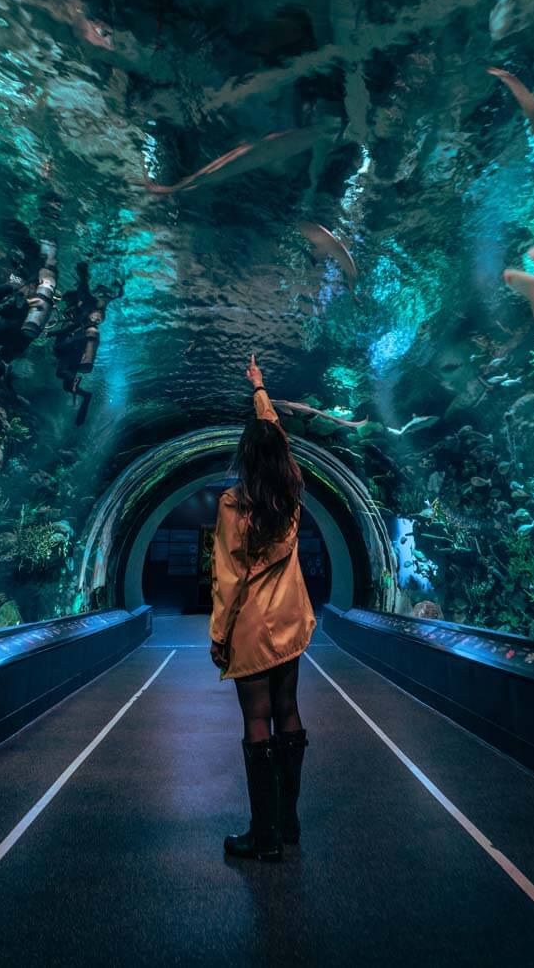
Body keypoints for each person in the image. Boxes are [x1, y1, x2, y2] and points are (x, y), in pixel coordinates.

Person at [209, 354, 317, 862]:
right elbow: (275, 435)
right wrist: (260, 389)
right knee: (288, 711)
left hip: (252, 627)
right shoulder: (291, 493)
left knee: (257, 721)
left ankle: (264, 833)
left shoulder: (236, 503)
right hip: (291, 619)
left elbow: (228, 579)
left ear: (245, 459)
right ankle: (289, 822)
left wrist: (217, 635)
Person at [50, 262, 124, 426]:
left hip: (76, 347)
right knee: (67, 387)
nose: (98, 318)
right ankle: (86, 397)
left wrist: (82, 273)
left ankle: (77, 385)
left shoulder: (89, 305)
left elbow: (83, 292)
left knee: (61, 371)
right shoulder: (96, 306)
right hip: (79, 350)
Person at [0, 241, 58, 386]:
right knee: (3, 360)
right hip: (26, 334)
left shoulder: (26, 282)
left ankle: (2, 369)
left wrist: (10, 288)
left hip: (10, 323)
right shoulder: (49, 293)